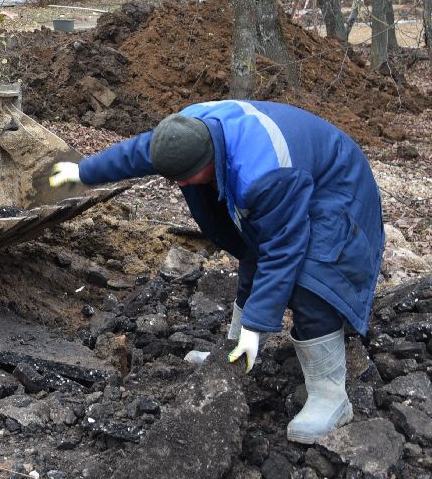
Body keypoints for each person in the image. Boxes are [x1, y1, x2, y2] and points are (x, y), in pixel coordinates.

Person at [50, 100, 385, 444]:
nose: (179, 184)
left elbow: (283, 250)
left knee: (312, 280)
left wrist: (256, 326)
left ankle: (331, 397)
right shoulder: (184, 131)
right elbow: (137, 153)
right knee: (254, 252)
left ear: (207, 161)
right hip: (292, 171)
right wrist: (83, 172)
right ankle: (235, 354)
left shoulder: (263, 174)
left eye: (184, 178)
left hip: (338, 185)